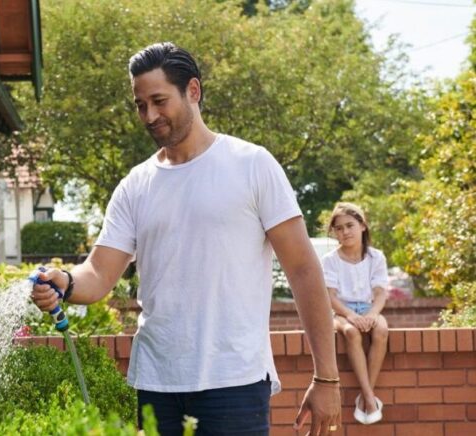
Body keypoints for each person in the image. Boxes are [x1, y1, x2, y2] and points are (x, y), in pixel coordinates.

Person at [30, 42, 341, 435]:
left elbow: (303, 270)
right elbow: (99, 273)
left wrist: (326, 378)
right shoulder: (135, 186)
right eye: (141, 105)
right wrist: (66, 281)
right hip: (157, 383)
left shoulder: (252, 165)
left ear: (192, 91)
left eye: (159, 100)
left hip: (235, 381)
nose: (150, 115)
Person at [321, 202, 389, 425]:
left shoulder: (376, 257)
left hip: (369, 309)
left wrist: (371, 315)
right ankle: (369, 398)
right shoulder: (329, 260)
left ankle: (364, 395)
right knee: (351, 333)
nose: (345, 232)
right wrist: (351, 316)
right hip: (342, 313)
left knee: (381, 329)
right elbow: (330, 297)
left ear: (362, 226)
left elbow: (380, 293)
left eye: (350, 225)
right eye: (339, 228)